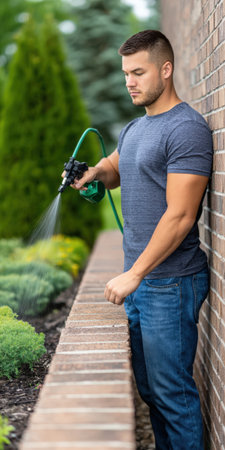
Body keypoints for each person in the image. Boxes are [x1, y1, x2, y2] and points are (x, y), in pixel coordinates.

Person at [70, 30, 213, 449]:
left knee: (173, 395)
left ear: (165, 70)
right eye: (125, 73)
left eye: (138, 72)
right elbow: (118, 166)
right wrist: (93, 173)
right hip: (143, 283)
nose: (129, 82)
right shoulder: (136, 128)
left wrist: (134, 272)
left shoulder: (186, 129)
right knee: (152, 393)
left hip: (170, 283)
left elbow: (181, 215)